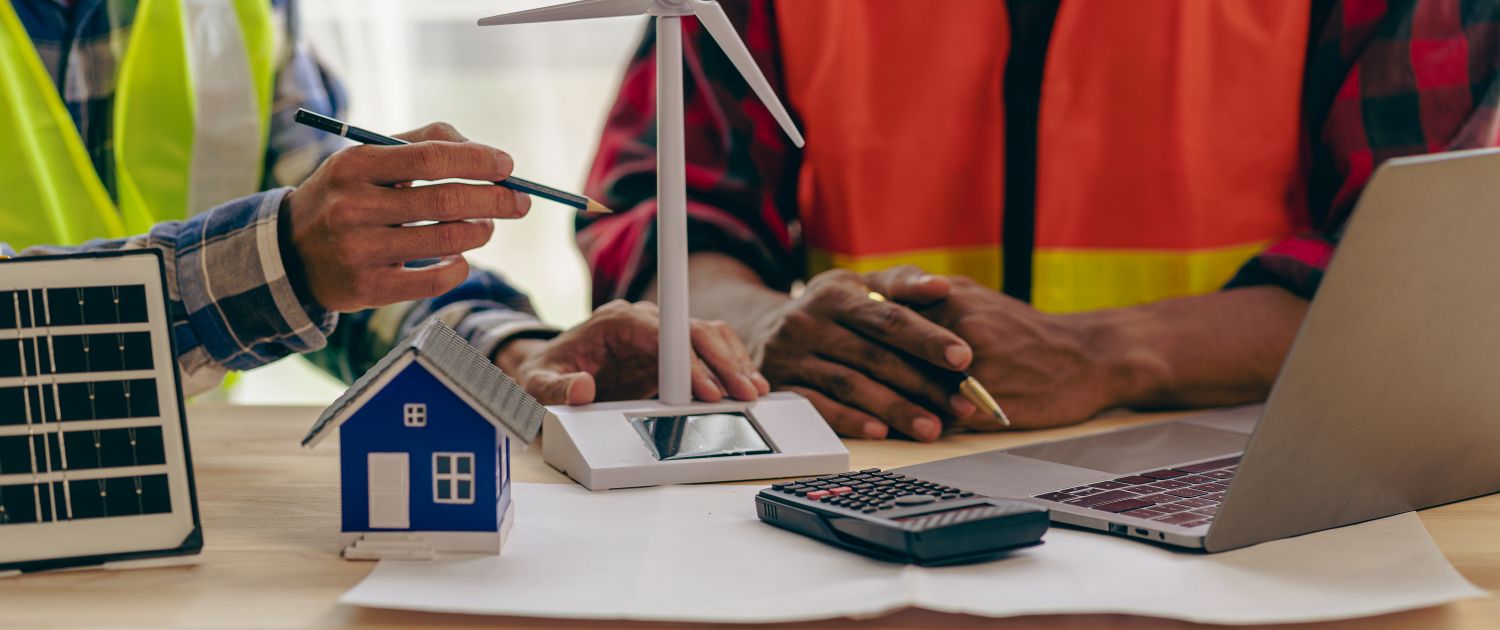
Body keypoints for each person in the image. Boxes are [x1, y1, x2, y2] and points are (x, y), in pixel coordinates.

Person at [579, 0, 1500, 440]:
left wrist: (1107, 352)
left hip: (1238, 492)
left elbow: (1429, 268)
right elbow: (658, 207)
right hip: (868, 486)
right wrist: (759, 328)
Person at [2, 0, 767, 405]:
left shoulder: (237, 8)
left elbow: (344, 251)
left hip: (202, 502)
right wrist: (282, 257)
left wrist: (514, 354)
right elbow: (296, 251)